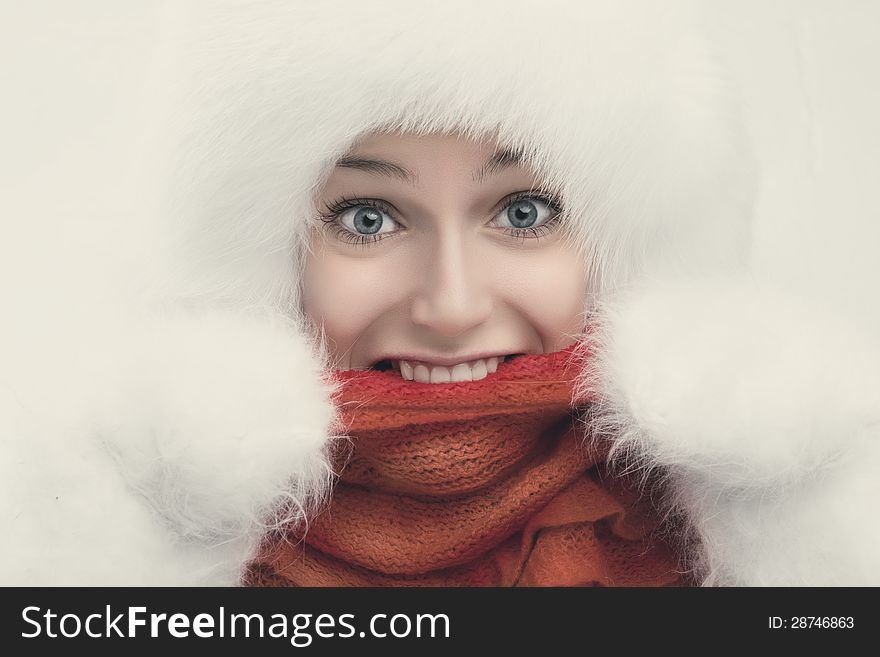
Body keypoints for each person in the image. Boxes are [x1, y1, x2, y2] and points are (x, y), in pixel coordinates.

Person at [3, 0, 879, 586]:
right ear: (268, 255)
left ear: (624, 246)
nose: (452, 305)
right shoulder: (123, 560)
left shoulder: (756, 546)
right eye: (370, 218)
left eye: (525, 210)